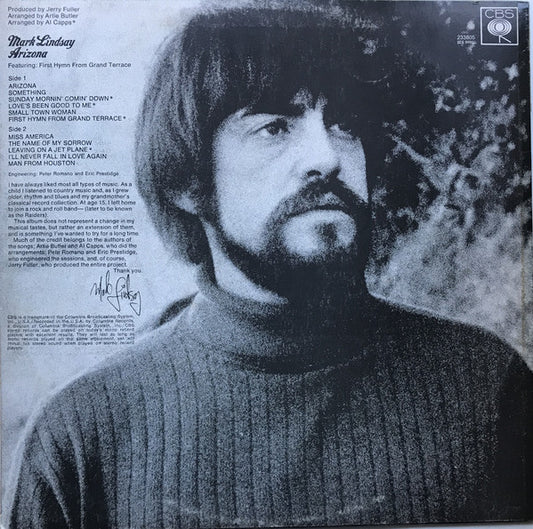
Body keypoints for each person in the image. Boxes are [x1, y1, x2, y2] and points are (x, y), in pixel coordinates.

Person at [4, 3, 533, 528]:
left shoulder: (486, 385)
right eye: (275, 127)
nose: (327, 157)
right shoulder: (80, 440)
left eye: (344, 124)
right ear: (188, 182)